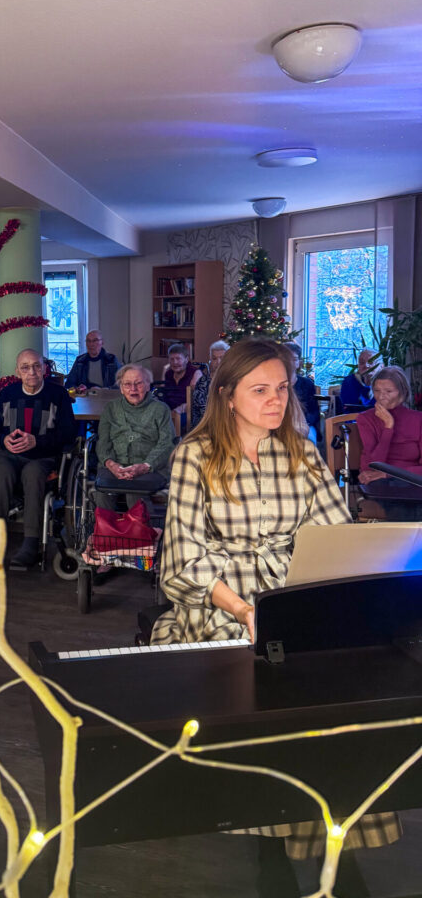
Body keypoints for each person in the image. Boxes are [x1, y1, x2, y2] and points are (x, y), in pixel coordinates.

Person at [151, 337, 396, 894]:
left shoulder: (305, 454)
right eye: (259, 390)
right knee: (266, 690)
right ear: (227, 396)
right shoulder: (195, 455)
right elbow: (182, 557)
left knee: (342, 685)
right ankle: (269, 842)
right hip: (221, 596)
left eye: (282, 388)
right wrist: (244, 610)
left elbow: (335, 534)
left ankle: (339, 839)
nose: (275, 400)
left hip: (292, 588)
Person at [0, 348, 76, 568]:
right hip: (7, 455)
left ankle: (31, 542)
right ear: (18, 371)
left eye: (37, 366)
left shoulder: (58, 395)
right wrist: (4, 440)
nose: (32, 372)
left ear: (44, 369)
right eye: (25, 367)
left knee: (33, 476)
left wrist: (37, 441)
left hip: (41, 456)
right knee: (0, 477)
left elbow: (69, 433)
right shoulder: (8, 394)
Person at [95, 363, 175, 509]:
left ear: (147, 385)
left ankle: (138, 531)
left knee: (135, 491)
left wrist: (145, 466)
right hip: (114, 466)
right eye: (127, 384)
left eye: (138, 383)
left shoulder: (160, 409)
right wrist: (111, 464)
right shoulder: (111, 408)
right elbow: (103, 442)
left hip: (151, 468)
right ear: (121, 388)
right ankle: (106, 532)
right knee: (102, 492)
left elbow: (167, 443)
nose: (133, 389)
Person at [357, 366, 422, 483]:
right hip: (379, 482)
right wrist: (388, 427)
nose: (381, 397)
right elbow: (372, 466)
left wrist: (389, 474)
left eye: (388, 391)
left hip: (412, 480)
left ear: (403, 392)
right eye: (377, 391)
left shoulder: (418, 419)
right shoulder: (365, 419)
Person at [284, 341, 321, 442]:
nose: (289, 362)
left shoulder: (307, 384)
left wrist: (302, 423)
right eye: (285, 358)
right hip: (278, 426)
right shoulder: (272, 384)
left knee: (308, 439)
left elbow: (314, 412)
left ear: (299, 363)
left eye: (294, 359)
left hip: (303, 424)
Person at [190, 339, 230, 427]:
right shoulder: (203, 382)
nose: (218, 362)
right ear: (210, 361)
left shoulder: (235, 381)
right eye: (214, 358)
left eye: (222, 358)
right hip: (205, 426)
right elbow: (202, 410)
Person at [160, 343, 202, 414]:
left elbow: (195, 401)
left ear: (186, 359)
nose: (175, 362)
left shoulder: (195, 373)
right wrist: (164, 371)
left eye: (178, 359)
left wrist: (176, 411)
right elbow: (161, 393)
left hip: (185, 413)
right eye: (172, 359)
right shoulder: (168, 373)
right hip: (167, 411)